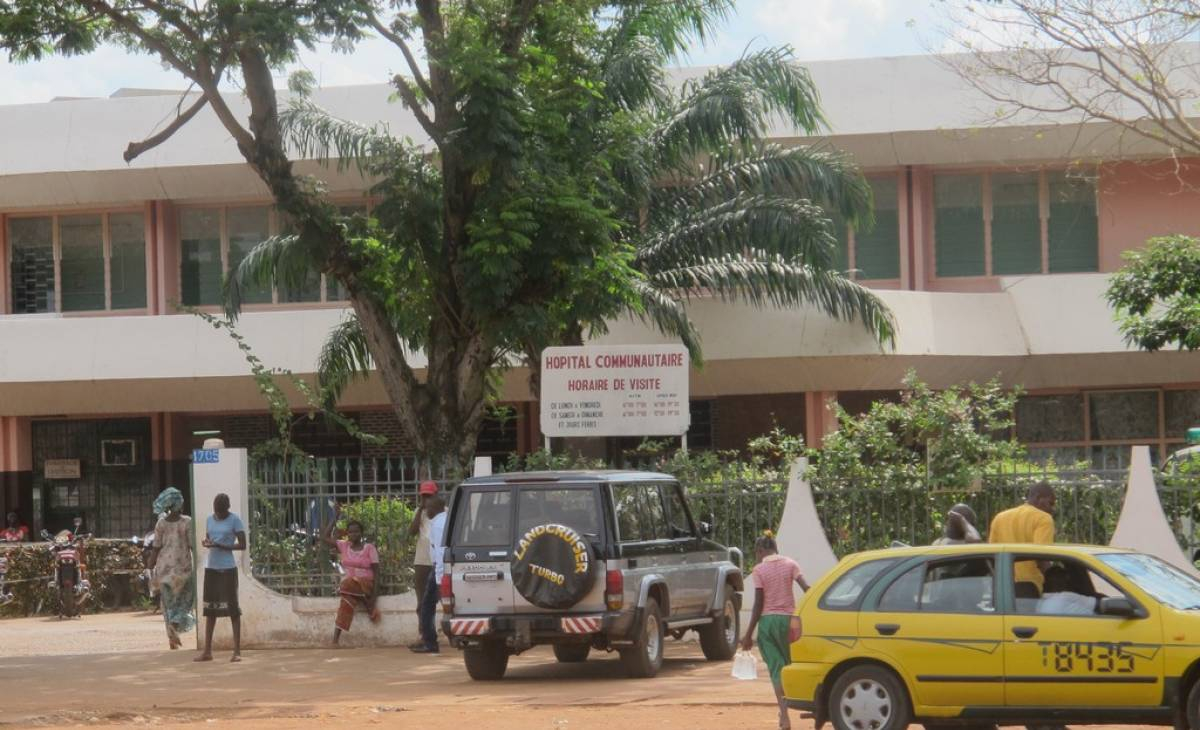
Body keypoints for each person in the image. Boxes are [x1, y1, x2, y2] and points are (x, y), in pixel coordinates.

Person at [741, 531, 810, 730]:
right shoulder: (791, 564)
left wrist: (748, 635)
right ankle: (803, 704)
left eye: (756, 552)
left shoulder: (759, 570)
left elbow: (758, 603)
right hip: (790, 622)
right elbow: (807, 588)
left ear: (761, 550)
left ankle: (785, 715)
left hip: (768, 623)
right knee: (790, 666)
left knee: (776, 669)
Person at [320, 504, 381, 645]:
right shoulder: (344, 545)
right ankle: (335, 641)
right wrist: (334, 517)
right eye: (351, 532)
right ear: (347, 533)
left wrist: (373, 598)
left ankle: (367, 603)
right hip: (350, 588)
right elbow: (324, 537)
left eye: (357, 532)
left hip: (366, 584)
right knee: (345, 603)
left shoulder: (369, 548)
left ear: (361, 533)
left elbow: (377, 573)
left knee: (346, 584)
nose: (354, 534)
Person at [196, 493, 246, 663]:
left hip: (227, 568)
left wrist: (221, 545)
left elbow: (242, 544)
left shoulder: (235, 520)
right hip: (212, 568)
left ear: (227, 509)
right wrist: (207, 542)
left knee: (233, 609)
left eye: (221, 511)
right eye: (216, 511)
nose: (218, 514)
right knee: (210, 610)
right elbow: (210, 538)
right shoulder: (210, 519)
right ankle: (207, 651)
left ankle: (237, 651)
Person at [147, 487, 195, 650]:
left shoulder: (161, 523)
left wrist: (150, 564)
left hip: (164, 569)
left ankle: (172, 638)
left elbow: (156, 547)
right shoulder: (187, 522)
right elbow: (191, 544)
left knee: (168, 604)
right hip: (183, 569)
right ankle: (176, 622)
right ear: (179, 505)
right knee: (186, 599)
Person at [989, 482, 1057, 597]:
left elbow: (992, 557)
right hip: (1032, 590)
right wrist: (1056, 584)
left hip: (1004, 591)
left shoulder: (999, 518)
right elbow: (1041, 557)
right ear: (1038, 497)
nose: (1052, 509)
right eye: (1050, 503)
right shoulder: (1043, 519)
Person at [412, 494, 446, 654]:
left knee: (427, 606)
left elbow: (440, 552)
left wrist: (439, 576)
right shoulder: (443, 520)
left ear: (437, 509)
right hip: (440, 568)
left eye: (430, 508)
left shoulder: (438, 525)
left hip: (439, 569)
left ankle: (430, 642)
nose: (428, 510)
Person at [407, 480, 438, 650]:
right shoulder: (420, 514)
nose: (426, 499)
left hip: (437, 561)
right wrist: (420, 509)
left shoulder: (444, 513)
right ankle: (423, 634)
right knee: (422, 602)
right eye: (424, 496)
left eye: (429, 496)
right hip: (422, 562)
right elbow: (411, 532)